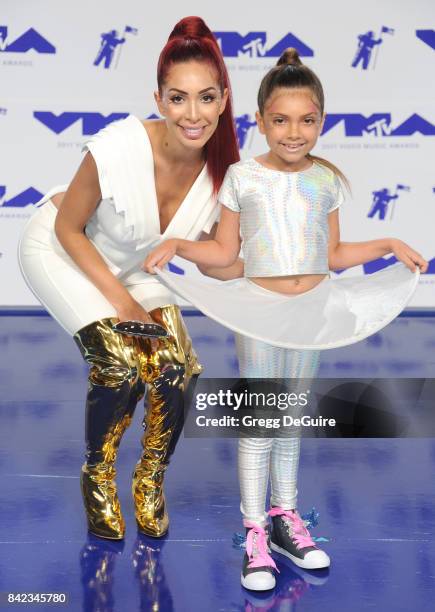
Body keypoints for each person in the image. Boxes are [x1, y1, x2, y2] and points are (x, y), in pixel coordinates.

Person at [144, 48, 428, 590]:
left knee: (291, 419)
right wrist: (180, 244)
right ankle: (254, 532)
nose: (293, 132)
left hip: (312, 312)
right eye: (280, 119)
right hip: (262, 315)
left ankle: (285, 521)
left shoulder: (325, 181)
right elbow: (227, 254)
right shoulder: (242, 178)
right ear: (260, 121)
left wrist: (389, 243)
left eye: (306, 120)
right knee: (261, 421)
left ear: (322, 122)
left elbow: (335, 254)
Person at [18, 16, 239, 541]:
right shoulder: (118, 145)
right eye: (178, 98)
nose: (193, 114)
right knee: (119, 366)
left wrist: (289, 269)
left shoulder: (225, 174)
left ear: (224, 99)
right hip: (62, 250)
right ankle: (97, 476)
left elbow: (222, 263)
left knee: (175, 369)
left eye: (206, 98)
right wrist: (121, 303)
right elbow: (71, 229)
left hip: (135, 266)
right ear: (159, 99)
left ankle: (150, 480)